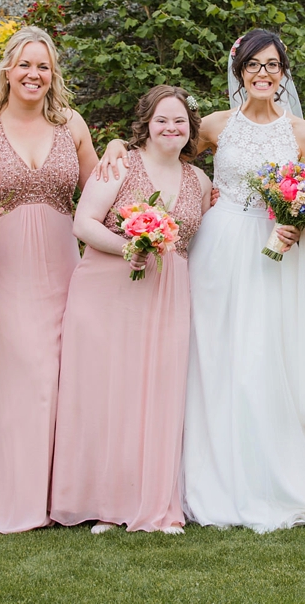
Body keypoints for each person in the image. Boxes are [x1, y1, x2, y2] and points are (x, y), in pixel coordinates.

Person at [98, 29, 305, 532]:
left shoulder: (304, 134)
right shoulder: (216, 125)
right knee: (213, 354)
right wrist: (113, 142)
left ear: (283, 73)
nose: (264, 73)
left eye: (273, 65)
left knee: (266, 355)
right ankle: (208, 478)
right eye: (254, 65)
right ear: (239, 72)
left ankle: (269, 476)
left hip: (278, 251)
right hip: (220, 246)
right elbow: (162, 144)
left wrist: (296, 223)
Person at [0, 26, 99, 533]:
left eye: (44, 66)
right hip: (3, 271)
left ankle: (64, 498)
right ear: (7, 70)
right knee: (21, 379)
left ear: (53, 75)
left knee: (63, 378)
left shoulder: (71, 124)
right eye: (25, 65)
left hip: (63, 267)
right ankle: (16, 500)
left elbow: (104, 193)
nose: (34, 74)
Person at [51, 86, 211, 534]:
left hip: (169, 292)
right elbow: (83, 223)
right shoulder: (119, 164)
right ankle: (106, 504)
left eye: (180, 121)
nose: (171, 128)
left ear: (190, 129)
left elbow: (191, 243)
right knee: (110, 395)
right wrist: (128, 247)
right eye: (162, 120)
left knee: (159, 394)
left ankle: (155, 502)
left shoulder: (200, 182)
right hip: (108, 291)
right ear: (146, 123)